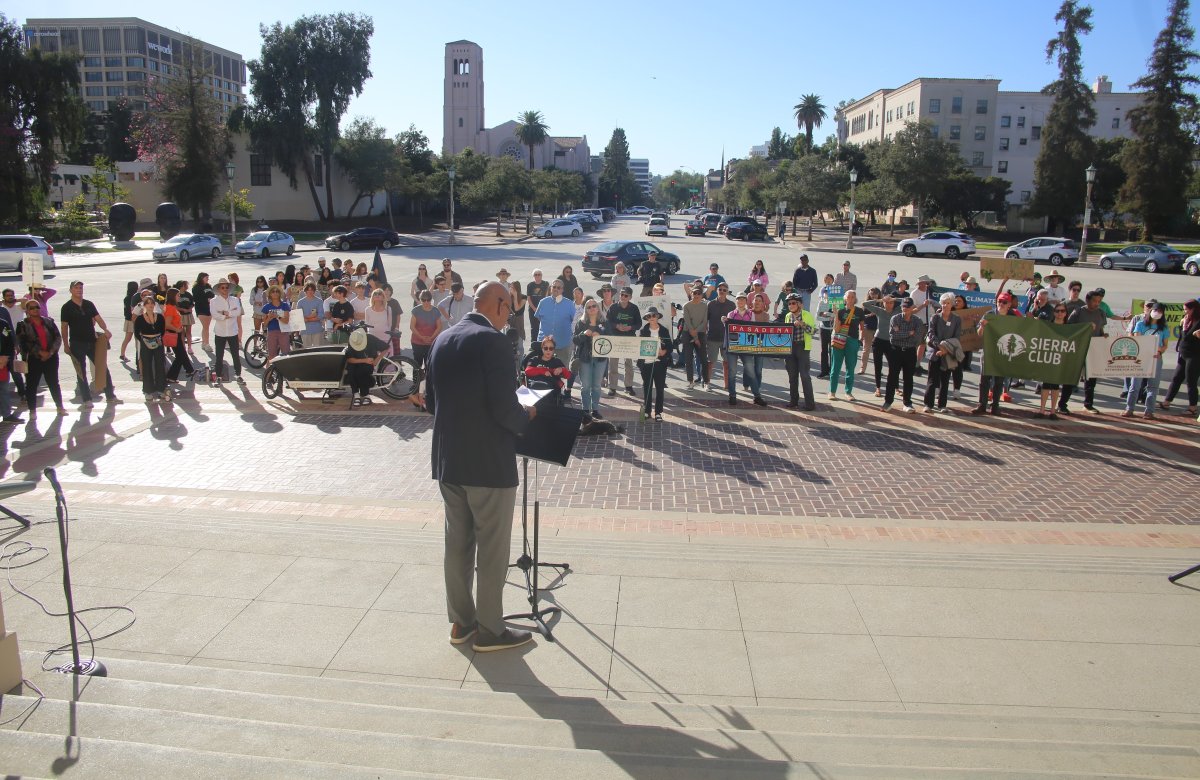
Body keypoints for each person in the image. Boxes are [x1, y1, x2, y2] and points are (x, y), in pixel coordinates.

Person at [426, 281, 535, 653]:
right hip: (488, 463)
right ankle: (491, 630)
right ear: (501, 306)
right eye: (512, 308)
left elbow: (430, 403)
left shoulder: (443, 339)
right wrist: (527, 415)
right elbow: (505, 409)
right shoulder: (495, 342)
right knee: (491, 549)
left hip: (448, 460)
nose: (512, 315)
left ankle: (461, 623)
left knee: (456, 544)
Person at [59, 280, 117, 407]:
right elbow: (64, 327)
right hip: (76, 343)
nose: (79, 290)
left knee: (102, 367)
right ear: (71, 290)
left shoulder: (89, 304)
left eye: (80, 288)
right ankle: (87, 399)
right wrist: (65, 345)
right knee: (81, 372)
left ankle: (110, 395)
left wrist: (105, 329)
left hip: (92, 341)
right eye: (76, 288)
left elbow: (98, 318)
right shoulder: (66, 307)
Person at [1061, 290, 1108, 414]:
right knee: (1071, 377)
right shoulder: (1078, 312)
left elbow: (1101, 328)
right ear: (1087, 300)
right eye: (1094, 301)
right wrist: (1086, 327)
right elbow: (1070, 328)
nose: (1097, 303)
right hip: (1078, 348)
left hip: (1093, 349)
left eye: (1099, 301)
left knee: (1091, 379)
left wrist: (1104, 335)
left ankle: (1088, 404)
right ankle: (1062, 404)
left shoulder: (1101, 313)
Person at [16, 297, 65, 414]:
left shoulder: (48, 321)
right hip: (34, 359)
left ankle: (60, 407)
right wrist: (39, 351)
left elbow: (57, 338)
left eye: (37, 307)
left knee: (53, 382)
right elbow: (23, 343)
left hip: (51, 358)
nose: (35, 310)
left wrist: (50, 352)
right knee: (32, 384)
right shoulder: (23, 325)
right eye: (31, 308)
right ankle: (32, 409)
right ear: (27, 310)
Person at [972, 291, 1017, 416]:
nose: (1001, 304)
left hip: (1003, 352)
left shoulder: (1013, 316)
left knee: (999, 381)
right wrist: (982, 326)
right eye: (999, 301)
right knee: (984, 380)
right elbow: (979, 334)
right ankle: (982, 404)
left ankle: (995, 406)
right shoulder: (989, 314)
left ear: (1009, 304)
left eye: (1004, 302)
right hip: (988, 351)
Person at [884, 297, 926, 413]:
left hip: (910, 351)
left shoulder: (917, 321)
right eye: (903, 306)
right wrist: (909, 333)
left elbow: (917, 339)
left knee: (908, 378)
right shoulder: (895, 318)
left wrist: (901, 332)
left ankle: (907, 403)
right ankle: (888, 402)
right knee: (892, 377)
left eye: (908, 306)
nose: (905, 309)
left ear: (912, 307)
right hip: (896, 351)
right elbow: (893, 337)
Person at [1160, 298, 1200, 417]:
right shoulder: (1186, 320)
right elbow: (1183, 336)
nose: (1185, 312)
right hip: (1183, 354)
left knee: (1191, 381)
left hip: (1195, 355)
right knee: (1176, 378)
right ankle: (1166, 402)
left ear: (1194, 309)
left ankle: (1193, 407)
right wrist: (1183, 326)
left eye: (1186, 310)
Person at [922, 292, 962, 413]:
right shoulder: (935, 317)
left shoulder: (956, 319)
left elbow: (956, 337)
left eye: (948, 303)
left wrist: (945, 349)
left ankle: (942, 405)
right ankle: (928, 404)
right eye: (943, 303)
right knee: (932, 380)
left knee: (945, 380)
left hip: (948, 354)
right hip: (935, 353)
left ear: (952, 304)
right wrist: (939, 347)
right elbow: (931, 334)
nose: (945, 305)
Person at [1033, 302, 1071, 418]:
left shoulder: (1069, 328)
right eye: (1057, 311)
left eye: (1062, 311)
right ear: (1054, 313)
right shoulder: (1048, 325)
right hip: (1048, 358)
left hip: (1060, 359)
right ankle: (1042, 410)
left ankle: (1053, 411)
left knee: (1055, 386)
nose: (1060, 313)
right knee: (1045, 385)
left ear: (1065, 313)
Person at [573, 300, 609, 420]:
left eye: (594, 306)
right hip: (585, 358)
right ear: (586, 310)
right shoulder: (581, 323)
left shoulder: (604, 323)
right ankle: (585, 410)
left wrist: (601, 336)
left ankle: (595, 409)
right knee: (586, 385)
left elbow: (611, 339)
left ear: (598, 308)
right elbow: (575, 340)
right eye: (589, 307)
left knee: (596, 385)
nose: (592, 308)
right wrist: (583, 334)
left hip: (600, 358)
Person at [828, 289, 865, 400]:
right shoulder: (840, 311)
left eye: (852, 297)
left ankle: (848, 392)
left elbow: (862, 327)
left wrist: (860, 340)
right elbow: (837, 328)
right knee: (836, 367)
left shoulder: (859, 311)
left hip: (852, 340)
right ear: (844, 298)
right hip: (839, 339)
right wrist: (836, 315)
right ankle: (832, 392)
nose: (850, 299)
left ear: (855, 299)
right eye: (848, 297)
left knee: (850, 367)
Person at [605, 286, 641, 396]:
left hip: (629, 338)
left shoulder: (634, 308)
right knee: (613, 364)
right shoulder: (613, 307)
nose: (623, 297)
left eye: (626, 295)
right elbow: (607, 322)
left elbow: (639, 324)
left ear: (630, 297)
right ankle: (613, 387)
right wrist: (616, 326)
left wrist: (630, 327)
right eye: (621, 294)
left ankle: (628, 386)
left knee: (629, 363)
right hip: (615, 338)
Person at [638, 307, 672, 420]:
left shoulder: (664, 330)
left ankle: (658, 412)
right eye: (649, 316)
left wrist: (665, 351)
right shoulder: (643, 331)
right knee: (647, 388)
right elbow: (639, 346)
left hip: (660, 363)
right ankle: (647, 411)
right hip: (646, 363)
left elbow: (670, 346)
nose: (651, 318)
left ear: (657, 316)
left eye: (653, 315)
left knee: (660, 388)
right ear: (647, 318)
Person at [783, 293, 816, 410]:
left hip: (802, 347)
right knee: (792, 376)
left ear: (800, 304)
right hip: (791, 348)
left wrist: (802, 324)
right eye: (789, 303)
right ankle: (793, 400)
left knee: (805, 375)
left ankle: (810, 403)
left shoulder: (806, 315)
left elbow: (813, 331)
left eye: (793, 303)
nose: (791, 305)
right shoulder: (788, 316)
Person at [133, 289, 167, 402]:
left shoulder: (160, 317)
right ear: (144, 305)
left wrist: (156, 338)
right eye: (148, 303)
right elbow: (137, 332)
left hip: (157, 341)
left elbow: (162, 330)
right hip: (145, 342)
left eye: (152, 303)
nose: (150, 305)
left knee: (160, 365)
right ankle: (148, 391)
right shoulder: (140, 318)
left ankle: (161, 389)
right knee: (147, 366)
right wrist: (145, 340)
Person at [210, 278, 245, 383]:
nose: (225, 289)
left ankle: (238, 375)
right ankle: (219, 377)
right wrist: (225, 315)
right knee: (219, 356)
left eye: (226, 287)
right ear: (219, 289)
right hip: (220, 332)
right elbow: (214, 314)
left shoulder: (234, 300)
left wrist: (227, 313)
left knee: (235, 355)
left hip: (232, 331)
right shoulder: (214, 301)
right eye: (223, 287)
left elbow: (238, 312)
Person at [534, 279, 575, 368]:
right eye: (554, 287)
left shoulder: (569, 304)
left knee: (561, 373)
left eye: (559, 287)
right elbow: (538, 317)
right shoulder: (543, 302)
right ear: (550, 288)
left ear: (562, 290)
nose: (556, 289)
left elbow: (573, 321)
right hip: (544, 344)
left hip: (562, 344)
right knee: (543, 372)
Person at [864, 293, 896, 398]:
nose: (889, 304)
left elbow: (909, 300)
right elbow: (865, 304)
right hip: (878, 341)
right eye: (887, 302)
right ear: (884, 303)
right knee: (878, 365)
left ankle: (895, 387)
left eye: (891, 302)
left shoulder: (897, 311)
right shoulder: (880, 311)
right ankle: (878, 388)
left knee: (893, 365)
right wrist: (880, 300)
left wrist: (895, 298)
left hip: (891, 342)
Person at [705, 282, 735, 392]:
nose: (722, 291)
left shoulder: (732, 305)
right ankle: (707, 383)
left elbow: (734, 322)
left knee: (726, 363)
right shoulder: (710, 304)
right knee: (710, 362)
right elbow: (705, 321)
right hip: (712, 337)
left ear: (727, 292)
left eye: (724, 290)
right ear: (717, 290)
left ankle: (727, 385)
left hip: (726, 339)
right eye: (720, 289)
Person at [345, 326, 386, 408]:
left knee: (363, 371)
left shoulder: (371, 338)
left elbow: (385, 347)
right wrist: (364, 360)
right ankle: (356, 394)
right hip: (358, 361)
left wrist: (377, 360)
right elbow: (349, 359)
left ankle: (365, 394)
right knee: (351, 370)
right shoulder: (353, 339)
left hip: (369, 362)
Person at [681, 285, 709, 390]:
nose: (696, 295)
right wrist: (694, 337)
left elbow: (705, 321)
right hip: (688, 332)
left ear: (702, 295)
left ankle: (706, 382)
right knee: (688, 359)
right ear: (691, 294)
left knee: (703, 359)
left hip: (700, 332)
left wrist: (696, 335)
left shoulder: (705, 306)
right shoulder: (686, 306)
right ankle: (690, 381)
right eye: (694, 293)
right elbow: (687, 322)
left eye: (699, 293)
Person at [163, 287, 192, 385]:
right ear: (173, 296)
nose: (179, 296)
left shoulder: (172, 306)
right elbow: (167, 323)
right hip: (173, 333)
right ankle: (173, 376)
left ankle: (189, 370)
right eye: (178, 295)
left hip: (176, 332)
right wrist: (177, 329)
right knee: (180, 355)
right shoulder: (170, 307)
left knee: (181, 354)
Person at [261, 285, 292, 364]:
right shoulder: (266, 307)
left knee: (286, 355)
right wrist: (269, 318)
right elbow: (264, 324)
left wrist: (277, 316)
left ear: (280, 293)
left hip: (283, 332)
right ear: (270, 294)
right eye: (273, 292)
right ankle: (268, 375)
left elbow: (286, 320)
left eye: (277, 291)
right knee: (271, 356)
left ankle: (286, 374)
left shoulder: (284, 305)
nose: (275, 293)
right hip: (272, 332)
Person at [0, 301, 19, 423]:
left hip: (2, 363)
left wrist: (5, 357)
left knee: (4, 389)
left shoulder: (3, 324)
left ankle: (6, 414)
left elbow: (8, 341)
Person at [815, 273, 837, 378]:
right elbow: (819, 316)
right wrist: (829, 315)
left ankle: (833, 371)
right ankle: (824, 371)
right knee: (823, 351)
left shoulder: (836, 303)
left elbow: (838, 315)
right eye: (825, 294)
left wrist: (829, 314)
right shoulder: (822, 303)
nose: (827, 295)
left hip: (833, 329)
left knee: (832, 351)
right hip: (823, 328)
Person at [295, 283, 326, 349]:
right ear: (305, 291)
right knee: (307, 351)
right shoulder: (300, 302)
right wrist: (311, 316)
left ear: (314, 291)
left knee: (318, 350)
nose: (310, 292)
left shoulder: (319, 301)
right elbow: (298, 316)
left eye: (312, 290)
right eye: (308, 290)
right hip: (305, 330)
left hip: (317, 329)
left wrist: (307, 319)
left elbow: (321, 315)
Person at [859, 287, 881, 375]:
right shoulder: (866, 304)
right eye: (872, 294)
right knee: (866, 349)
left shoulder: (881, 303)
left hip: (879, 330)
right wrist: (869, 315)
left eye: (875, 294)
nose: (873, 296)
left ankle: (879, 370)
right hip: (868, 328)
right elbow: (861, 317)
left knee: (878, 351)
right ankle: (862, 368)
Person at [175, 280, 195, 358]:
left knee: (189, 332)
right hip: (181, 315)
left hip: (188, 315)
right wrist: (183, 310)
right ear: (182, 286)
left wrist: (190, 308)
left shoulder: (188, 294)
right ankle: (183, 348)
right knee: (182, 332)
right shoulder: (177, 295)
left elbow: (192, 303)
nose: (187, 286)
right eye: (186, 285)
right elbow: (175, 306)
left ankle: (190, 347)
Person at [193, 272, 213, 350]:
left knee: (206, 327)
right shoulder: (196, 287)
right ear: (201, 278)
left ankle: (204, 343)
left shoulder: (208, 286)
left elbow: (212, 294)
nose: (208, 279)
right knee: (205, 327)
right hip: (201, 308)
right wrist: (206, 299)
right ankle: (207, 344)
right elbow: (196, 299)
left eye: (208, 277)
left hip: (209, 308)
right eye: (206, 277)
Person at [118, 281, 136, 362]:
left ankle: (122, 354)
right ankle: (122, 354)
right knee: (130, 338)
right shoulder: (133, 298)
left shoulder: (127, 298)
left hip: (128, 319)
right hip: (132, 320)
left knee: (127, 338)